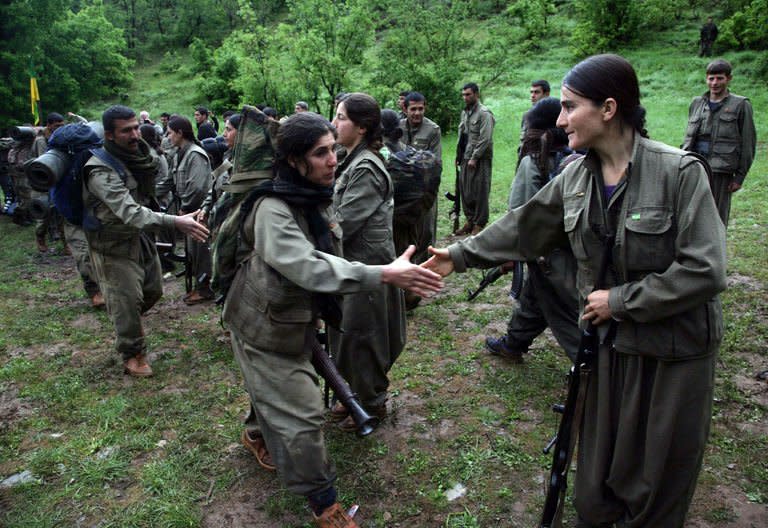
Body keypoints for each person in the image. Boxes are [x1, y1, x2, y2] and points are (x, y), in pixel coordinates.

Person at [424, 54, 727, 527]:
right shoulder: (577, 176)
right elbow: (525, 226)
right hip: (608, 348)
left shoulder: (679, 173)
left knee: (654, 489)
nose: (559, 119)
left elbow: (705, 269)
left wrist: (620, 300)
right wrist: (457, 256)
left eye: (569, 107)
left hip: (672, 356)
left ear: (608, 109)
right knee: (597, 483)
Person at [220, 112, 442, 527]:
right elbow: (308, 267)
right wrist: (383, 273)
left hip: (292, 318)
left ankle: (255, 433)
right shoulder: (272, 206)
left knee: (274, 391)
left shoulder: (310, 196)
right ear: (293, 160)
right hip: (262, 326)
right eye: (320, 153)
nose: (332, 159)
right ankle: (325, 504)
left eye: (333, 149)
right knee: (303, 418)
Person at [82, 105, 209, 377]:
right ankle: (133, 354)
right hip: (112, 245)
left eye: (136, 127)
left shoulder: (136, 156)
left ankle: (126, 320)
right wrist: (175, 222)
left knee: (153, 291)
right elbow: (129, 211)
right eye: (126, 130)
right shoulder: (99, 170)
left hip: (138, 237)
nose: (135, 134)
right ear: (110, 135)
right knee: (126, 301)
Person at [327, 93, 406, 431]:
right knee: (346, 335)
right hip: (352, 266)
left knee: (365, 337)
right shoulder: (350, 160)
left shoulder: (367, 168)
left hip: (367, 267)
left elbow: (344, 222)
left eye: (341, 117)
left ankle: (372, 401)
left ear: (361, 127)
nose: (334, 124)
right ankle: (351, 397)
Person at [485, 96, 580, 363]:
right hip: (570, 246)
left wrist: (513, 248)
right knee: (534, 297)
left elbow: (520, 211)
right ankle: (514, 344)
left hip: (548, 251)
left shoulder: (535, 158)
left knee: (563, 312)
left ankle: (593, 370)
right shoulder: (576, 152)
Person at [682, 58, 756, 226]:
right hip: (695, 166)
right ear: (706, 79)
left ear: (728, 79)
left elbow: (748, 142)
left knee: (717, 218)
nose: (714, 83)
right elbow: (688, 137)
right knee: (691, 214)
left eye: (719, 78)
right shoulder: (697, 103)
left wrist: (739, 177)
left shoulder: (741, 105)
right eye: (711, 78)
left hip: (721, 171)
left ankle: (716, 251)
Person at [163, 116, 214, 304]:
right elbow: (170, 181)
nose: (168, 137)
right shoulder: (180, 153)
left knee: (201, 251)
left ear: (180, 133)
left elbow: (199, 187)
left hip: (198, 212)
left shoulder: (195, 154)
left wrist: (185, 207)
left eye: (170, 133)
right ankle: (199, 286)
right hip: (188, 212)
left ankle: (205, 288)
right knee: (192, 252)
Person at [455, 82, 494, 236]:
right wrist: (459, 155)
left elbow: (485, 138)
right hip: (465, 156)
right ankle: (470, 220)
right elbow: (462, 135)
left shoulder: (484, 113)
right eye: (463, 94)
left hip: (480, 158)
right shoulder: (465, 113)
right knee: (466, 190)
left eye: (468, 94)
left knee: (480, 190)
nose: (465, 97)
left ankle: (479, 223)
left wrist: (475, 157)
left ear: (477, 94)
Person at [31, 112, 66, 252]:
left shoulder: (59, 137)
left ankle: (65, 243)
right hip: (42, 181)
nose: (59, 128)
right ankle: (40, 238)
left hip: (56, 179)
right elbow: (44, 163)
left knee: (62, 213)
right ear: (49, 125)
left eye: (61, 126)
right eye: (57, 126)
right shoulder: (41, 141)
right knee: (44, 214)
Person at [520, 79, 551, 150]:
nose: (532, 96)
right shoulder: (527, 115)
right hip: (531, 154)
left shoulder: (556, 112)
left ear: (547, 94)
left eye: (536, 92)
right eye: (531, 92)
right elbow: (523, 139)